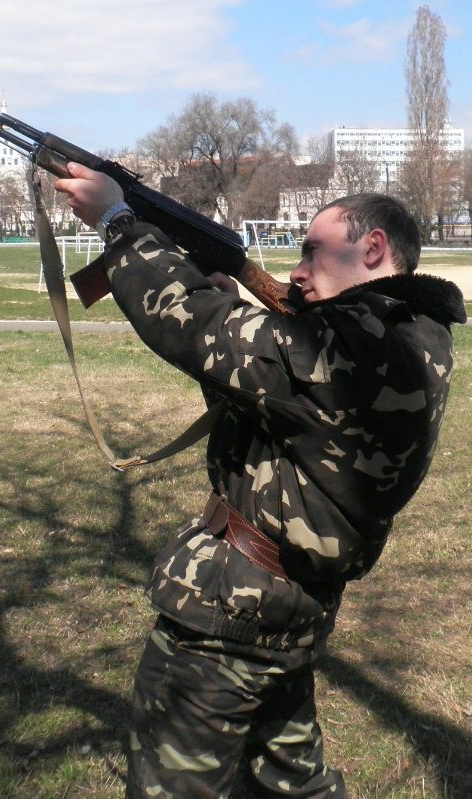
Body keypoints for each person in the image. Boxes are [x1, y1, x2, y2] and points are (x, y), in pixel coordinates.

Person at [55, 167, 467, 799]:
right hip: (284, 612)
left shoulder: (360, 345)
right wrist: (238, 300)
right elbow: (273, 398)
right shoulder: (412, 333)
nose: (298, 272)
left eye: (312, 252)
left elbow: (195, 324)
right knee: (290, 782)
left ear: (375, 249)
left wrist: (118, 222)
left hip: (228, 623)